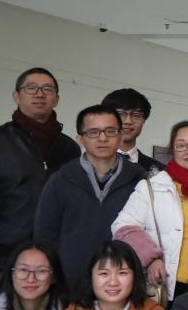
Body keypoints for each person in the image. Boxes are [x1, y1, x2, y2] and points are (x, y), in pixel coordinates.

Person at [0, 67, 78, 300]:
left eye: (47, 89)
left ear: (56, 99)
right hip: (2, 259)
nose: (39, 94)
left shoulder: (70, 149)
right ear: (16, 96)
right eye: (31, 88)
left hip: (54, 260)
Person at [33, 104, 141, 289]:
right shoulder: (60, 180)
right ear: (80, 139)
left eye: (110, 131)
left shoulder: (140, 179)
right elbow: (45, 234)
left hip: (122, 283)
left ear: (121, 136)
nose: (102, 138)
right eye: (93, 132)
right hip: (70, 283)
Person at [113, 120, 188, 305]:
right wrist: (150, 258)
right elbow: (122, 227)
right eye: (181, 145)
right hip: (168, 286)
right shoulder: (152, 187)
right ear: (172, 150)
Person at [103, 88, 164, 173]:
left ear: (144, 120)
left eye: (136, 115)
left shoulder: (160, 171)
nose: (128, 121)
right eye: (120, 114)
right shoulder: (88, 163)